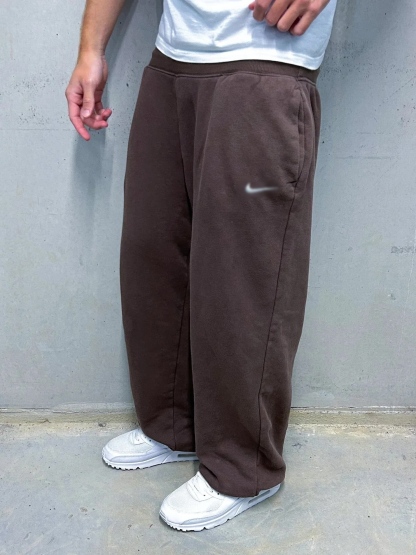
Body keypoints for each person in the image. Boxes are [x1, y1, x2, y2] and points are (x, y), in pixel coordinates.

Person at [65, 0, 338, 532]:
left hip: (265, 56)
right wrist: (91, 49)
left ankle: (244, 468)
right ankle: (175, 426)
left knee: (243, 276)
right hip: (173, 57)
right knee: (156, 258)